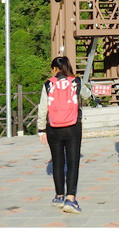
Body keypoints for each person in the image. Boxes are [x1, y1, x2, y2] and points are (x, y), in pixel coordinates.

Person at [37, 56, 83, 214]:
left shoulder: (48, 83)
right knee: (73, 162)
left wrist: (41, 129)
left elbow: (43, 107)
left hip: (53, 127)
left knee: (57, 162)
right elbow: (87, 94)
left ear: (55, 69)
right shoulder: (75, 81)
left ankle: (58, 196)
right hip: (73, 127)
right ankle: (70, 199)